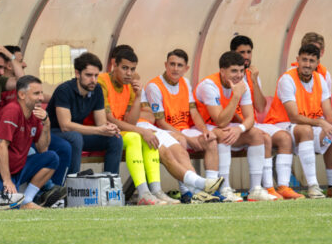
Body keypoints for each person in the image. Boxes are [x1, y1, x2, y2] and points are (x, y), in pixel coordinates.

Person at [268, 43, 332, 198]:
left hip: (310, 125)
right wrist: (321, 123)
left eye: (311, 61)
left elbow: (328, 113)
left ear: (317, 63)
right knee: (306, 129)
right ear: (297, 60)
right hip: (283, 125)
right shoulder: (287, 79)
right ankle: (313, 186)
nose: (307, 64)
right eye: (304, 60)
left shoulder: (320, 79)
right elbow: (294, 117)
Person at [97, 47, 176, 205]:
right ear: (114, 65)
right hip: (100, 131)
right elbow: (109, 119)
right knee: (136, 136)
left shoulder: (130, 85)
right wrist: (142, 131)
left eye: (132, 69)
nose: (129, 73)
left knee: (148, 137)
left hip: (119, 131)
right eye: (124, 68)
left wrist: (139, 96)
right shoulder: (102, 81)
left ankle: (156, 190)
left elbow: (130, 122)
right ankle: (143, 193)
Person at [144, 48, 221, 201]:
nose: (175, 68)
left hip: (185, 129)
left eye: (180, 65)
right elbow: (160, 121)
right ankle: (187, 192)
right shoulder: (154, 86)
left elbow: (193, 112)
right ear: (166, 65)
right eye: (172, 64)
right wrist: (187, 137)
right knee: (182, 140)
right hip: (164, 131)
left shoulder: (185, 82)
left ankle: (212, 187)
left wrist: (204, 130)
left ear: (186, 69)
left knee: (210, 139)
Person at [194, 51, 270, 202]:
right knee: (224, 133)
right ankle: (225, 188)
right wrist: (235, 96)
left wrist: (239, 129)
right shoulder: (208, 85)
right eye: (234, 71)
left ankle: (255, 188)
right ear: (222, 71)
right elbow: (220, 121)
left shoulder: (242, 86)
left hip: (226, 127)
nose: (239, 75)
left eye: (242, 71)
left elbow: (250, 119)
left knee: (256, 134)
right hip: (203, 128)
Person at [0, 75, 57, 210]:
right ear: (21, 94)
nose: (41, 98)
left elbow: (42, 148)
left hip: (17, 168)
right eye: (36, 93)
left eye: (41, 93)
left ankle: (27, 200)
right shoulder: (12, 111)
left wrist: (47, 124)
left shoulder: (35, 114)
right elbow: (1, 145)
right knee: (8, 209)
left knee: (52, 158)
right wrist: (7, 180)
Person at [45, 52, 123, 185]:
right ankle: (72, 186)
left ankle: (110, 185)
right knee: (75, 137)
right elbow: (65, 126)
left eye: (96, 75)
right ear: (77, 73)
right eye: (88, 75)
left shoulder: (97, 89)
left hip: (76, 135)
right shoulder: (64, 90)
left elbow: (101, 122)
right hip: (52, 133)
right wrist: (99, 130)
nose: (93, 80)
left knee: (114, 138)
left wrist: (108, 128)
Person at [229, 35, 290, 200]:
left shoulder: (252, 75)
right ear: (233, 53)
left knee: (284, 137)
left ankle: (283, 186)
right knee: (263, 138)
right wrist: (245, 124)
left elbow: (261, 107)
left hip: (252, 123)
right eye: (242, 52)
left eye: (249, 52)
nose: (246, 56)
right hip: (236, 126)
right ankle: (266, 187)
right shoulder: (228, 75)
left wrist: (254, 80)